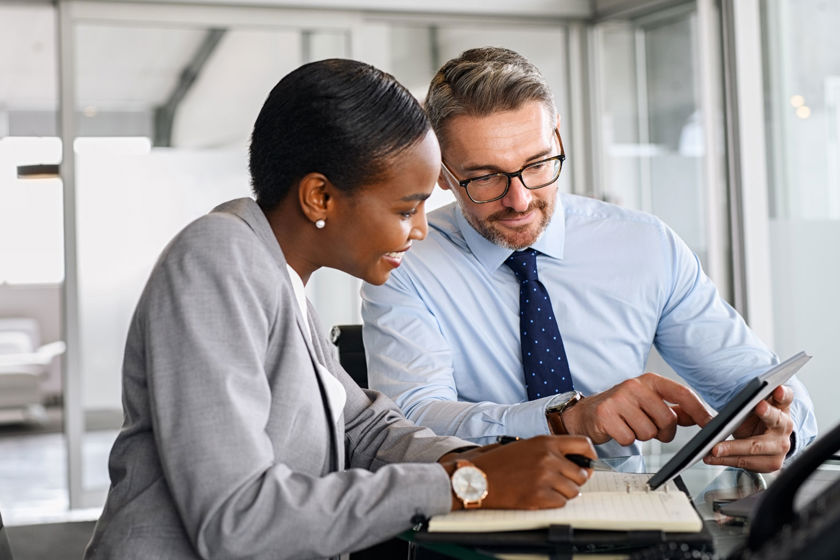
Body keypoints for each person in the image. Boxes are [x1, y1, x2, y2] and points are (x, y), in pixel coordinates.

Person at [84, 59, 598, 560]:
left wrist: (484, 459)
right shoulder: (219, 260)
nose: (419, 230)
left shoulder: (278, 278)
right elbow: (236, 517)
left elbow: (363, 429)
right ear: (319, 198)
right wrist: (466, 483)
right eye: (405, 208)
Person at [361, 47, 817, 472]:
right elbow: (411, 423)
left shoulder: (644, 245)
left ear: (557, 135)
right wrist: (565, 420)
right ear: (442, 172)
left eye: (538, 164)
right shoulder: (405, 261)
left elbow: (760, 382)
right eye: (484, 178)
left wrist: (780, 427)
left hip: (636, 519)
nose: (519, 200)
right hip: (482, 520)